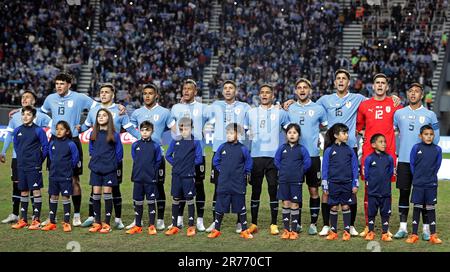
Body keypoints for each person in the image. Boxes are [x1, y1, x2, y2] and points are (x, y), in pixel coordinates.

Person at [40, 73, 98, 226]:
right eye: (57, 83)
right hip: (54, 141)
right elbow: (41, 112)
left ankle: (76, 215)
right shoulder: (50, 98)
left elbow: (96, 106)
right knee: (53, 177)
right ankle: (52, 216)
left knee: (74, 179)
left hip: (72, 141)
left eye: (62, 83)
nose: (58, 86)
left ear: (69, 85)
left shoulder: (79, 97)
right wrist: (51, 123)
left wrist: (85, 125)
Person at [80, 83, 139, 230]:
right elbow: (85, 127)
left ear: (113, 94)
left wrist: (144, 139)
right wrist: (71, 130)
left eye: (107, 92)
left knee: (115, 187)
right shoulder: (94, 111)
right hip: (99, 156)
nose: (103, 94)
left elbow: (130, 128)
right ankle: (93, 217)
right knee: (96, 187)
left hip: (113, 155)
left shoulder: (119, 111)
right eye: (101, 92)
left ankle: (117, 219)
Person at [356, 73, 401, 237]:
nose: (380, 85)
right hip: (369, 154)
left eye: (383, 83)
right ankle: (369, 225)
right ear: (373, 86)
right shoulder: (364, 105)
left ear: (387, 87)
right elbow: (359, 127)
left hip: (389, 154)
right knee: (368, 190)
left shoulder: (395, 104)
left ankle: (385, 227)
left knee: (386, 190)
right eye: (377, 83)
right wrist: (365, 136)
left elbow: (403, 122)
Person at [393, 83, 440, 240]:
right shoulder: (399, 113)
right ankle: (403, 228)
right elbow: (393, 134)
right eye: (410, 91)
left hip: (423, 163)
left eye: (417, 92)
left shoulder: (429, 114)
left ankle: (426, 230)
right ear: (407, 94)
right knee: (404, 194)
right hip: (404, 160)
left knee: (425, 196)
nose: (413, 94)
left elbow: (437, 137)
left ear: (421, 95)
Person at [205, 80, 251, 233]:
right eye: (225, 88)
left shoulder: (244, 107)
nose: (228, 90)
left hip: (237, 152)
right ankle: (215, 221)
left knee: (239, 189)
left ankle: (240, 222)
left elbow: (254, 119)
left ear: (235, 91)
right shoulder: (215, 106)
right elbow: (200, 114)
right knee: (218, 188)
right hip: (219, 150)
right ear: (222, 91)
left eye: (231, 88)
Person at [128, 83, 175, 230]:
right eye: (145, 93)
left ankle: (159, 219)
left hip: (157, 155)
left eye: (150, 93)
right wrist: (140, 137)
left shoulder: (165, 112)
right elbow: (129, 127)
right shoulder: (137, 113)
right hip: (142, 155)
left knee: (158, 186)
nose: (147, 96)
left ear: (156, 95)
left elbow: (173, 129)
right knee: (139, 187)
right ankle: (138, 220)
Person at [244, 84, 290, 235]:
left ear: (272, 96)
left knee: (273, 190)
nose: (264, 95)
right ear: (259, 95)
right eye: (262, 92)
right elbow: (244, 134)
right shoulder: (251, 113)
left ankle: (274, 223)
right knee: (255, 191)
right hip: (255, 158)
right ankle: (254, 223)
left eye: (267, 93)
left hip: (274, 159)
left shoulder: (281, 113)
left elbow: (291, 130)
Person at [1, 90, 51, 224]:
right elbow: (10, 137)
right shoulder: (16, 117)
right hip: (18, 159)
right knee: (17, 185)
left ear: (34, 101)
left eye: (28, 97)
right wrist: (4, 152)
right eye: (23, 97)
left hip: (33, 159)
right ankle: (15, 214)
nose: (24, 98)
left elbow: (54, 126)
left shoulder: (40, 116)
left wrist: (41, 156)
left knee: (34, 187)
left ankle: (36, 216)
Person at [287, 78, 327, 235]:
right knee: (295, 190)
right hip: (294, 157)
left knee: (313, 191)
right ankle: (296, 223)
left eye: (305, 87)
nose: (302, 90)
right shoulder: (289, 108)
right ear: (295, 91)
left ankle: (313, 223)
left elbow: (325, 125)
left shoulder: (318, 109)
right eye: (299, 88)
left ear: (310, 90)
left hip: (313, 156)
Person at [170, 79, 207, 231]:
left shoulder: (203, 107)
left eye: (189, 89)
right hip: (181, 154)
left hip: (197, 153)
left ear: (195, 92)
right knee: (180, 187)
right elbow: (171, 124)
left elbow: (216, 118)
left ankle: (199, 219)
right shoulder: (175, 108)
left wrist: (204, 131)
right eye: (184, 88)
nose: (186, 91)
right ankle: (179, 218)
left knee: (198, 186)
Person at [208, 123, 253, 239]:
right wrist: (221, 170)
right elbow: (215, 161)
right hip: (224, 183)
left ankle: (244, 229)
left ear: (238, 134)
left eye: (231, 133)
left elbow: (249, 162)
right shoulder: (222, 147)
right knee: (220, 205)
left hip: (238, 183)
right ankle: (216, 229)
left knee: (240, 205)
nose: (228, 135)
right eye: (227, 133)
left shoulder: (243, 149)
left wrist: (245, 173)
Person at [11, 106, 49, 230]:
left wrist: (39, 160)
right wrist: (22, 158)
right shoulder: (17, 130)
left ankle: (36, 219)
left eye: (28, 114)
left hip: (34, 165)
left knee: (36, 190)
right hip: (21, 165)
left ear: (34, 117)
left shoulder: (39, 131)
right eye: (23, 114)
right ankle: (23, 220)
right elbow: (16, 146)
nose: (25, 117)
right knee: (23, 191)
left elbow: (46, 147)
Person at [87, 109, 123, 234]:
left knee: (107, 194)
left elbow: (119, 153)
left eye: (104, 115)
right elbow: (91, 149)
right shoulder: (93, 133)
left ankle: (106, 223)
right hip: (96, 168)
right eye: (99, 115)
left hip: (109, 169)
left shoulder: (114, 134)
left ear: (109, 118)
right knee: (96, 194)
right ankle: (97, 222)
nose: (101, 117)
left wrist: (112, 164)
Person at [165, 117, 203, 236]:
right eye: (181, 129)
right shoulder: (175, 140)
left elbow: (199, 158)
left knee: (189, 199)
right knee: (176, 198)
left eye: (186, 128)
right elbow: (168, 155)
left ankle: (191, 226)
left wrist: (189, 166)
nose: (183, 131)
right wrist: (176, 164)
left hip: (188, 175)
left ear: (191, 128)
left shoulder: (195, 142)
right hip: (176, 175)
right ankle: (174, 225)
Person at [321, 123, 359, 241]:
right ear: (336, 135)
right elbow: (325, 168)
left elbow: (354, 167)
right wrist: (325, 185)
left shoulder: (350, 150)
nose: (347, 135)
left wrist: (355, 183)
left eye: (347, 133)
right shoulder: (329, 150)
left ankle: (346, 231)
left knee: (346, 206)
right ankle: (333, 231)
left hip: (347, 184)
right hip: (333, 184)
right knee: (333, 206)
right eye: (344, 133)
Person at [405, 125, 442, 244]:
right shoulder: (416, 148)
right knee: (417, 208)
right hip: (418, 184)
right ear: (420, 136)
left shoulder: (437, 149)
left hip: (431, 184)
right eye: (426, 134)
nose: (429, 136)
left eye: (431, 134)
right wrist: (417, 178)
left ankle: (433, 235)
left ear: (433, 136)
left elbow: (437, 166)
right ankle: (414, 234)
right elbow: (412, 164)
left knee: (431, 208)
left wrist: (430, 177)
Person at [274, 123, 311, 240]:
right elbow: (276, 161)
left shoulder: (302, 149)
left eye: (294, 133)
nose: (292, 135)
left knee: (295, 204)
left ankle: (294, 230)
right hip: (284, 180)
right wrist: (283, 170)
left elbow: (307, 163)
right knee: (285, 203)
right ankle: (286, 230)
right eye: (290, 132)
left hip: (296, 181)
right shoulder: (282, 148)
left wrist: (299, 172)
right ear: (286, 135)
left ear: (298, 135)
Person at [41, 121, 79, 232]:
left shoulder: (71, 144)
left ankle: (66, 222)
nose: (58, 131)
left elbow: (75, 159)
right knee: (53, 197)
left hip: (65, 176)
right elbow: (51, 158)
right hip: (53, 175)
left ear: (67, 131)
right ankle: (52, 222)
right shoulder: (52, 143)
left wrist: (67, 168)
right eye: (57, 129)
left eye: (61, 129)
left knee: (66, 197)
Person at [126, 121, 162, 235]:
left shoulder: (155, 146)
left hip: (150, 179)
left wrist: (151, 171)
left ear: (152, 131)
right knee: (138, 202)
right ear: (139, 131)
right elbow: (135, 158)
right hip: (137, 178)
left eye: (147, 130)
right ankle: (137, 225)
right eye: (142, 130)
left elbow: (158, 161)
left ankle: (151, 225)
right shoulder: (135, 145)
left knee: (151, 201)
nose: (145, 132)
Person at [363, 134, 394, 242]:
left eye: (384, 141)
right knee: (371, 213)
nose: (384, 144)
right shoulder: (369, 159)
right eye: (381, 142)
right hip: (373, 192)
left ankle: (385, 233)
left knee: (385, 213)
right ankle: (371, 232)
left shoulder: (389, 158)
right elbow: (366, 174)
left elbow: (390, 173)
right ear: (373, 145)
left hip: (385, 192)